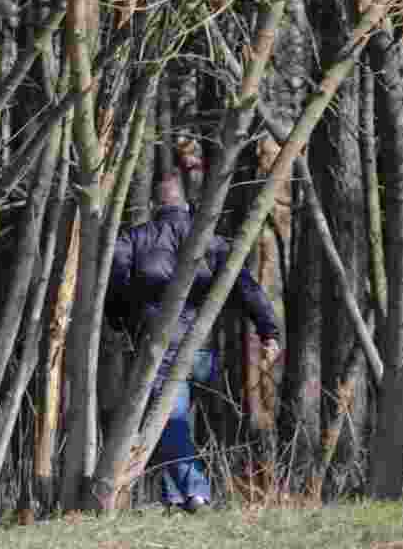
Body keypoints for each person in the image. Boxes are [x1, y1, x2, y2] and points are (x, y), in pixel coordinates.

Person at [107, 161, 281, 513]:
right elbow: (246, 288)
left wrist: (122, 325)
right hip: (203, 350)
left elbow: (116, 289)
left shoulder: (134, 239)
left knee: (168, 419)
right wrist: (269, 331)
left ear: (155, 206)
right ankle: (173, 498)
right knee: (173, 418)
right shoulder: (212, 242)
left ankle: (197, 493)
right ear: (186, 205)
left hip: (161, 348)